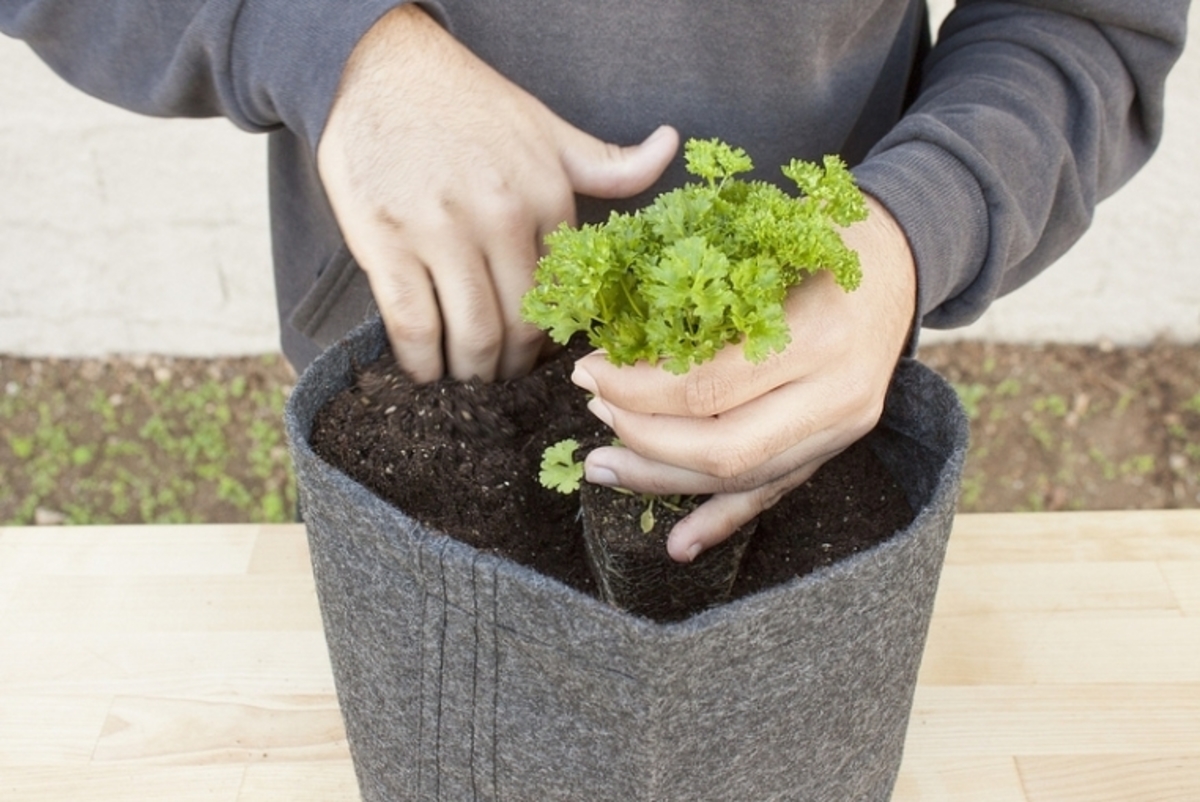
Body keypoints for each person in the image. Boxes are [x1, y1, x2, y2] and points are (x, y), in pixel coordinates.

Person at [2, 1, 1190, 561]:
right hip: (421, 374)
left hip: (802, 404)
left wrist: (911, 225)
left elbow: (1084, 22)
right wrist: (327, 40)